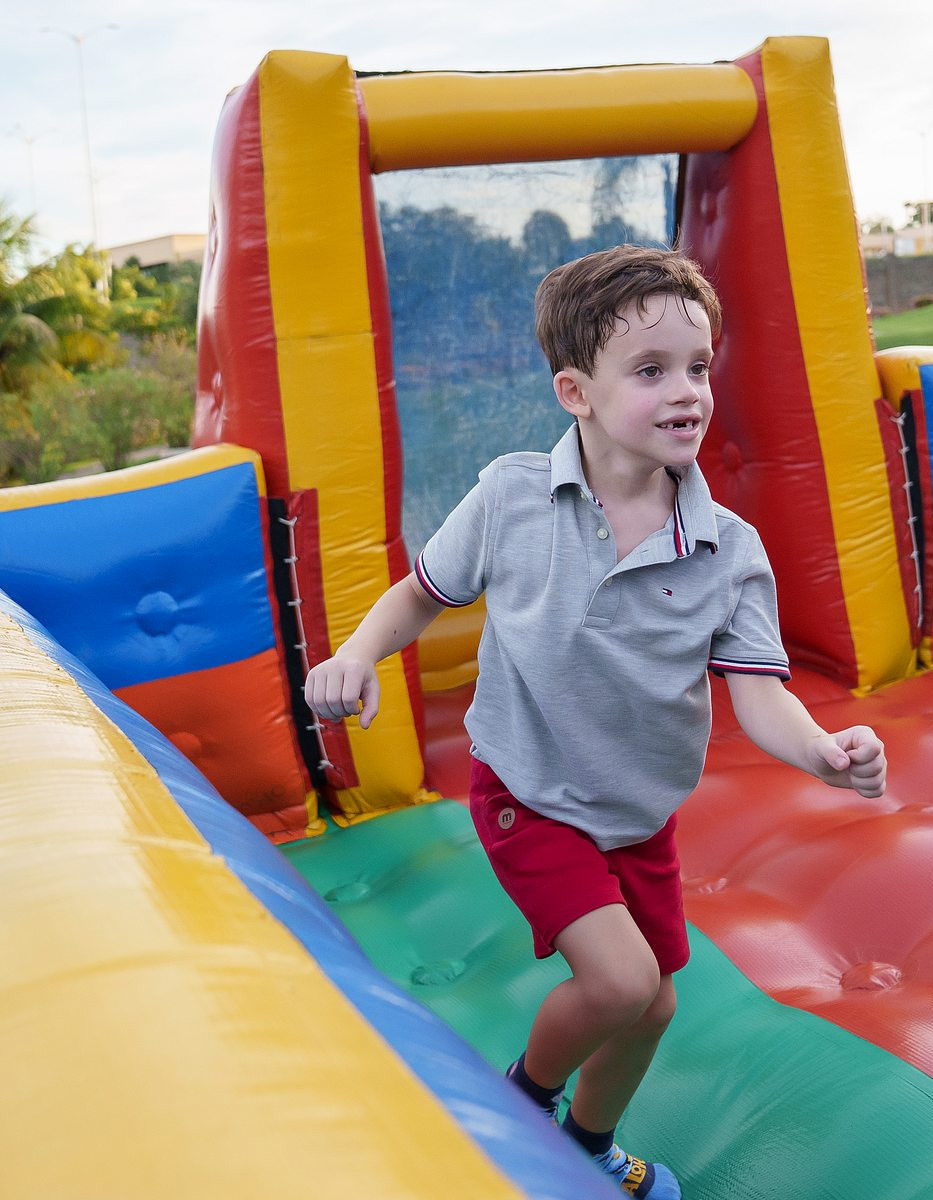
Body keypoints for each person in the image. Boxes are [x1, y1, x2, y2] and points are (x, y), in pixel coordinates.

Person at [304, 244, 887, 1197]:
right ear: (576, 392)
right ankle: (519, 1107)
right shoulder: (512, 497)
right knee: (618, 982)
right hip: (529, 790)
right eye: (650, 370)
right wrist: (357, 655)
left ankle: (589, 1145)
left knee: (652, 1007)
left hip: (637, 813)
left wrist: (822, 751)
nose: (686, 391)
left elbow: (758, 695)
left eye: (698, 367)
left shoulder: (728, 550)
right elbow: (422, 593)